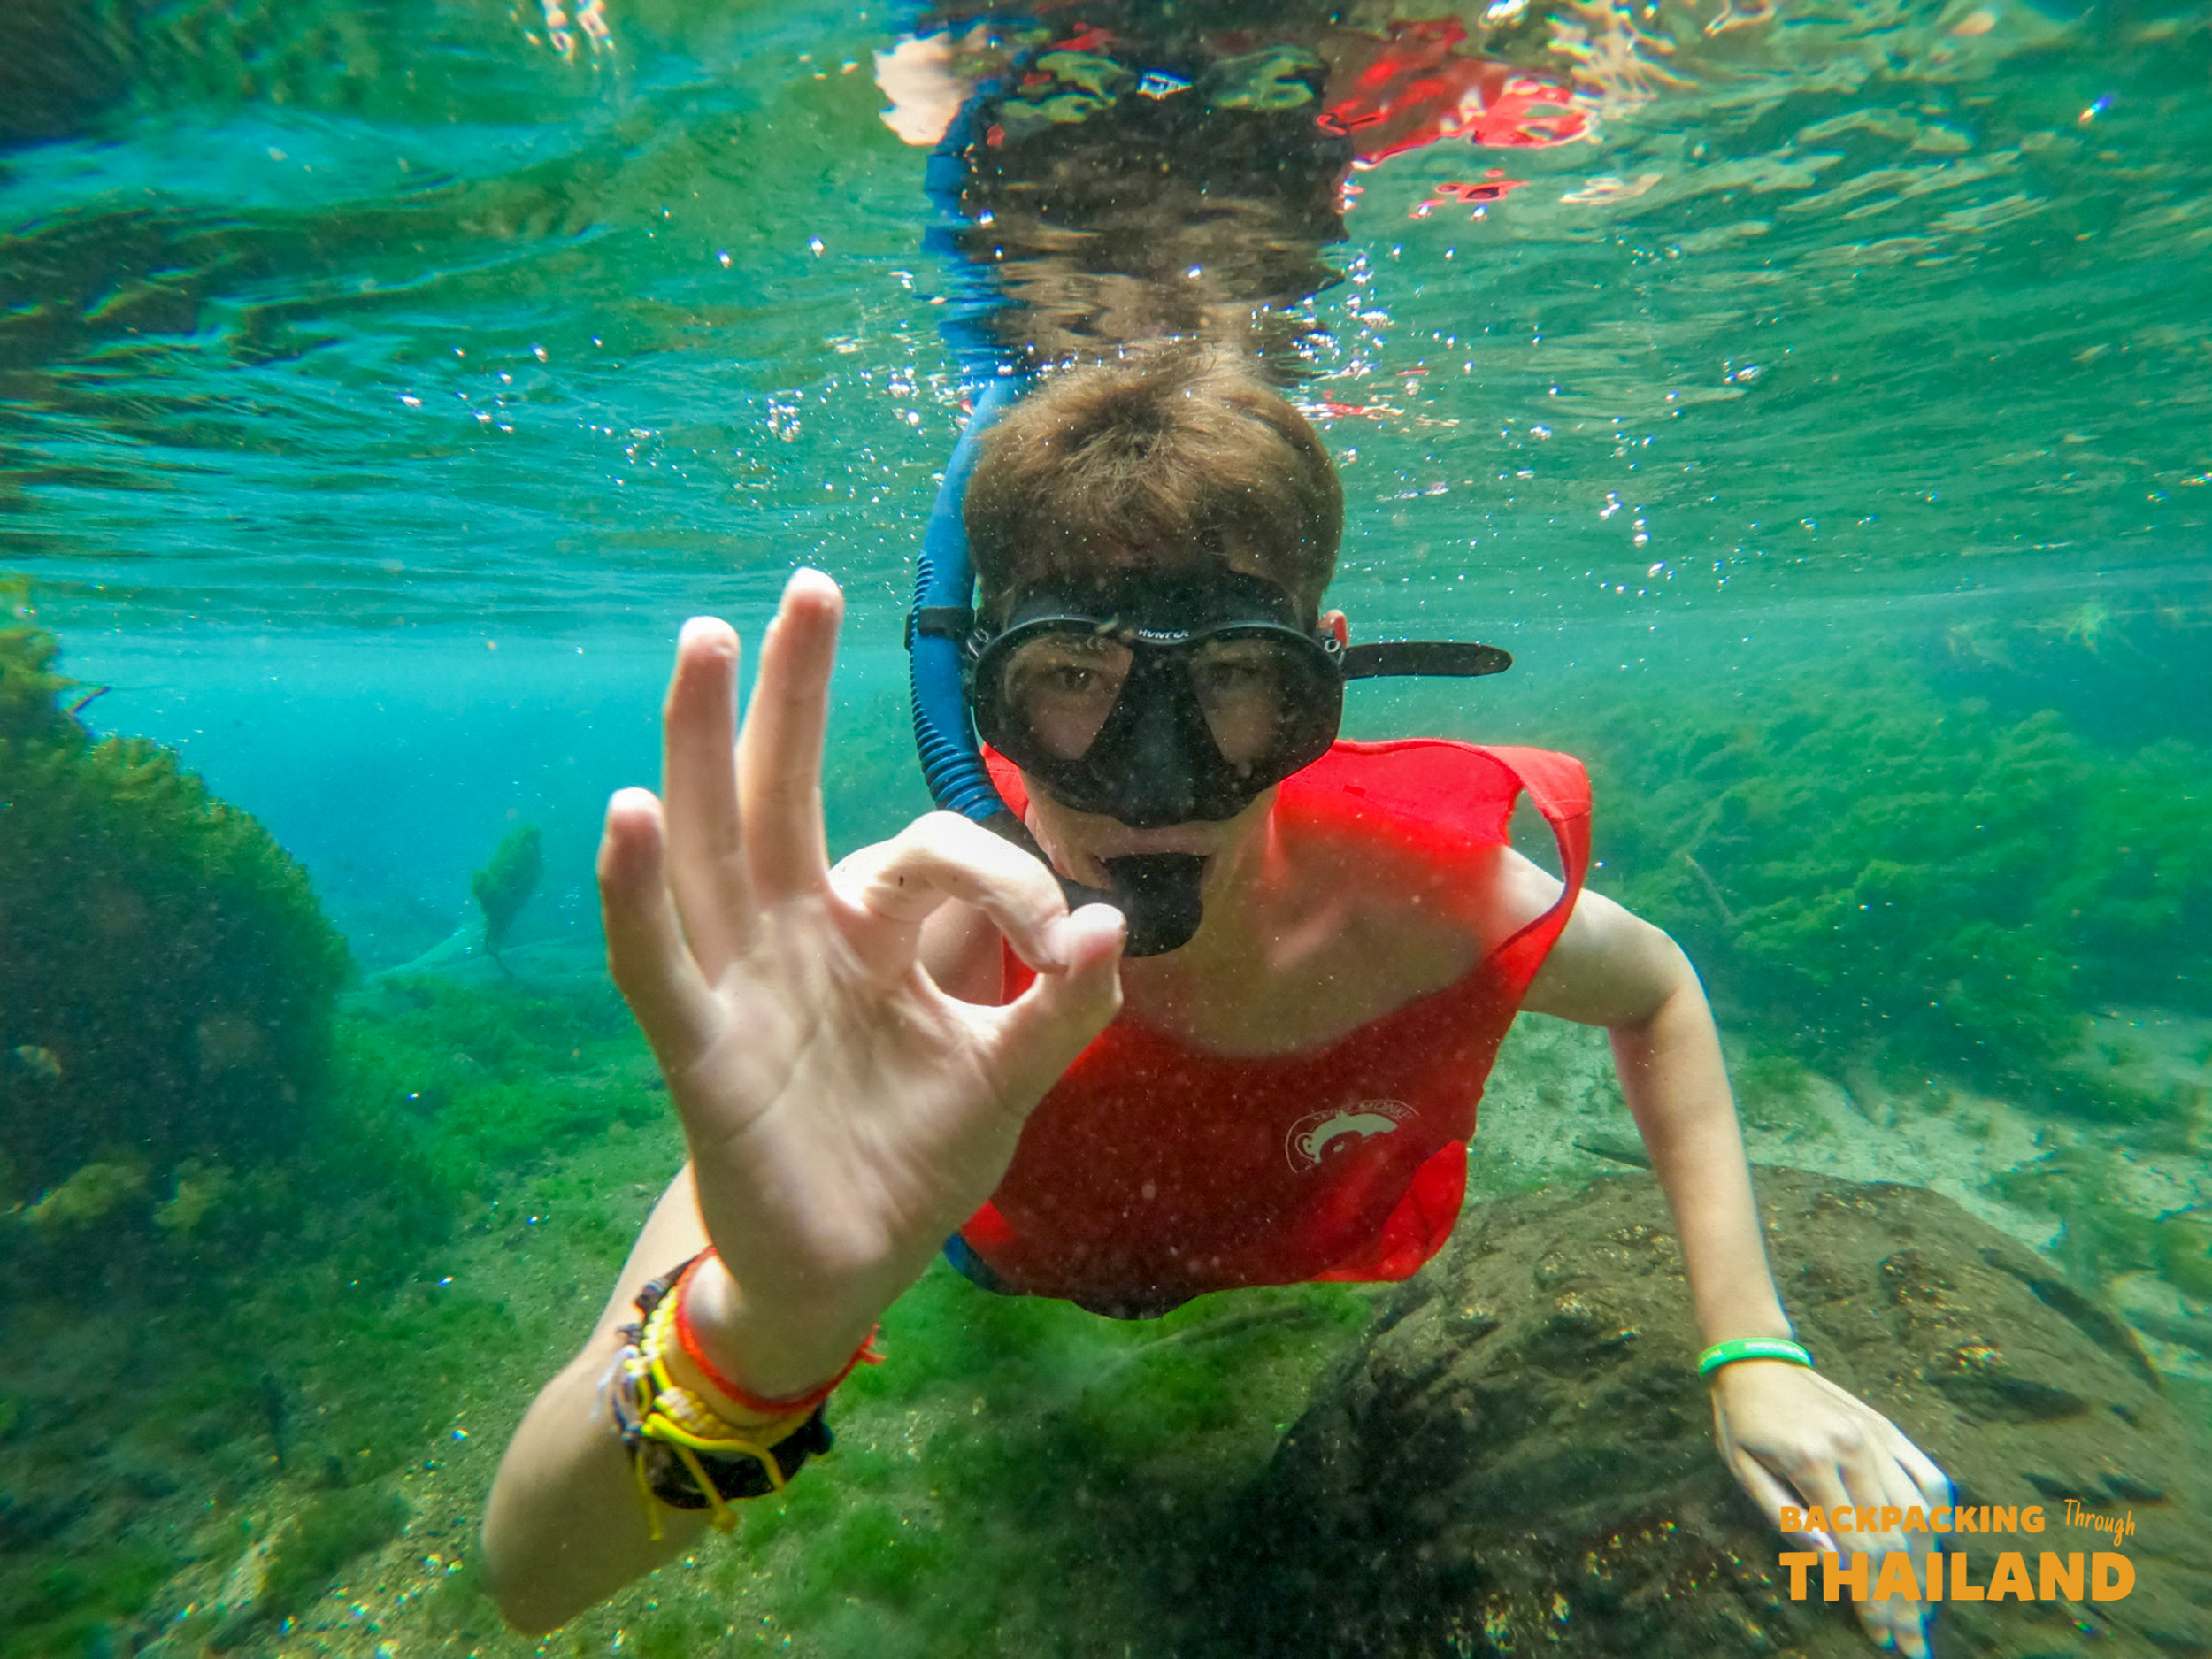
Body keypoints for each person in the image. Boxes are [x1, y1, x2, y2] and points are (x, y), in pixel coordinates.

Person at [482, 346, 1950, 1655]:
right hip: (1018, 1259)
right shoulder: (913, 953)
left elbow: (1658, 992)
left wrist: (1752, 1342)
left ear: (1322, 677)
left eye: (1239, 684)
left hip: (1285, 1238)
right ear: (980, 700)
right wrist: (764, 1333)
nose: (1156, 777)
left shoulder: (1424, 898)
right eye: (1073, 679)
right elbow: (531, 1576)